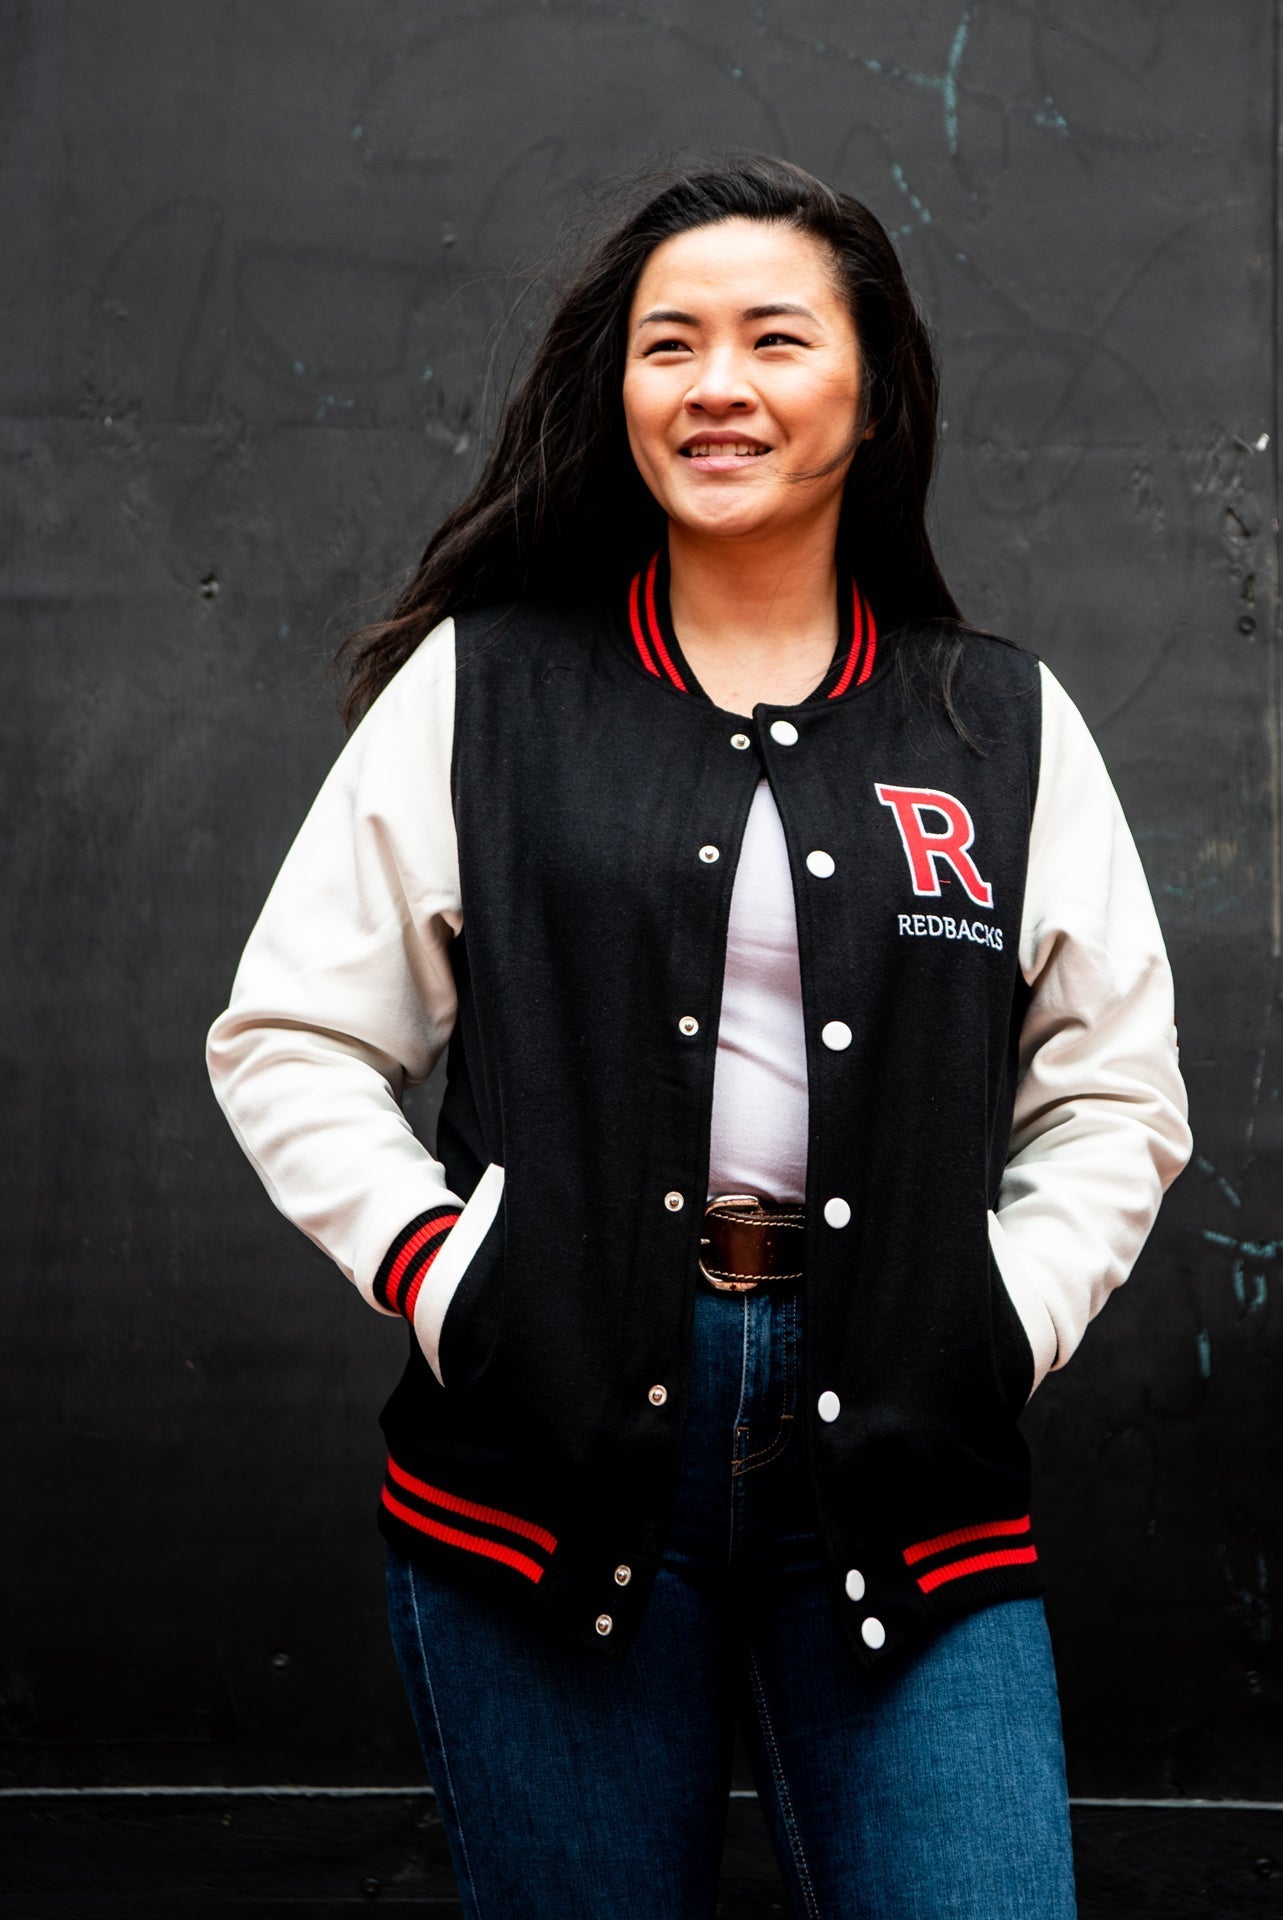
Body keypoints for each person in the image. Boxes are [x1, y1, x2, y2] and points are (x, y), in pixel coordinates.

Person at [205, 154, 1191, 1918]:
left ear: (870, 391)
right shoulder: (488, 688)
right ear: (623, 389)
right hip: (542, 1468)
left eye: (772, 339)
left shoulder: (998, 720)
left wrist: (1005, 1314)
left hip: (907, 1467)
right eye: (670, 346)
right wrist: (449, 1272)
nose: (715, 385)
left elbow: (1118, 1091)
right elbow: (289, 1033)